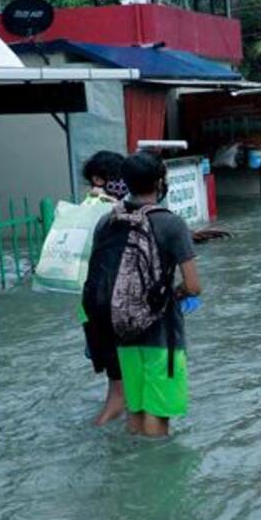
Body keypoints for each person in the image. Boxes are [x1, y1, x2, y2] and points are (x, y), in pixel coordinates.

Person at [82, 152, 202, 438]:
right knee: (158, 417)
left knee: (135, 414)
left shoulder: (107, 221)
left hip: (122, 333)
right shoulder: (171, 224)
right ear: (160, 182)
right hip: (163, 337)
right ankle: (158, 478)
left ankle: (132, 474)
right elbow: (194, 286)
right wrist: (173, 294)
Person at [79, 150, 127, 425]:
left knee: (121, 387)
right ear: (100, 179)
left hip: (93, 304)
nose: (123, 184)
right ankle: (97, 437)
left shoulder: (87, 209)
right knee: (118, 395)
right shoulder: (101, 210)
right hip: (111, 305)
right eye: (118, 178)